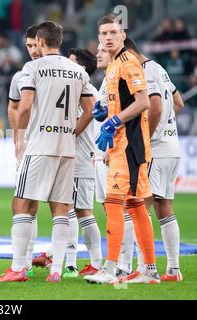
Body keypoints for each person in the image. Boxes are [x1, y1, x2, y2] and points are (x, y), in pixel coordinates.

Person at [0, 21, 95, 283]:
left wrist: (22, 135)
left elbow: (24, 106)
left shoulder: (33, 67)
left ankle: (17, 268)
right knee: (61, 208)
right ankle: (57, 269)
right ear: (60, 42)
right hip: (67, 147)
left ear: (39, 42)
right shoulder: (77, 70)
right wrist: (72, 132)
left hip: (40, 145)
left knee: (23, 204)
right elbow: (91, 110)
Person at [84, 14, 159, 284]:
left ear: (123, 35)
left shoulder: (128, 63)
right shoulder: (114, 65)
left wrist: (115, 119)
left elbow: (143, 103)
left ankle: (111, 268)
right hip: (121, 145)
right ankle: (150, 272)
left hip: (130, 145)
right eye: (103, 33)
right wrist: (108, 113)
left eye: (112, 33)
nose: (107, 38)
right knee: (135, 205)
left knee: (114, 204)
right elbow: (126, 103)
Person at [124, 37, 185, 282]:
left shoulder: (145, 71)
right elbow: (178, 103)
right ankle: (173, 269)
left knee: (138, 206)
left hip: (156, 150)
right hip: (172, 147)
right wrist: (165, 129)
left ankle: (144, 269)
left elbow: (156, 108)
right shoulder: (159, 68)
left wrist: (145, 140)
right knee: (164, 208)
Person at [61, 48, 102, 278]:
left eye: (71, 62)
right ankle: (89, 263)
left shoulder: (84, 91)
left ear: (82, 68)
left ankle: (73, 264)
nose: (66, 65)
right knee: (75, 209)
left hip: (80, 157)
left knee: (79, 210)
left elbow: (80, 121)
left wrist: (68, 135)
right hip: (78, 156)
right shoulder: (78, 89)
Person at [7, 24, 41, 276]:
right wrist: (17, 136)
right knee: (26, 201)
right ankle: (27, 260)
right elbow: (13, 107)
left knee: (28, 201)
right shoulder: (20, 76)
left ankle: (22, 264)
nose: (32, 50)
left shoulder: (53, 70)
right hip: (29, 143)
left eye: (35, 44)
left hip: (46, 142)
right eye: (28, 46)